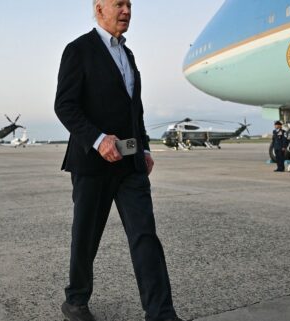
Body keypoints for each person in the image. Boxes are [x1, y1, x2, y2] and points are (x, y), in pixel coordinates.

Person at [54, 1, 182, 321]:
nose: (126, 10)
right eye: (119, 4)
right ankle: (76, 300)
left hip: (130, 165)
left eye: (129, 4)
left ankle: (161, 313)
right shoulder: (79, 49)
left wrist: (146, 149)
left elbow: (134, 110)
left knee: (145, 236)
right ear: (99, 9)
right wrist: (98, 140)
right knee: (86, 236)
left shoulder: (128, 55)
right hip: (92, 164)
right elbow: (65, 106)